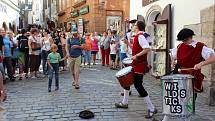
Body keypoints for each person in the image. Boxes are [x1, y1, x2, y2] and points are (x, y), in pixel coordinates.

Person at [161, 28, 215, 121]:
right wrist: (173, 62)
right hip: (179, 76)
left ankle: (185, 119)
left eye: (185, 40)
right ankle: (165, 119)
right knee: (175, 98)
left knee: (188, 101)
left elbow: (213, 58)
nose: (184, 42)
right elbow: (173, 56)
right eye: (182, 40)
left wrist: (201, 63)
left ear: (190, 37)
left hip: (192, 77)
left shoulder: (200, 46)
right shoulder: (179, 46)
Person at [115, 21, 157, 119]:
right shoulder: (137, 36)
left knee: (138, 86)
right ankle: (124, 102)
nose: (132, 26)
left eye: (134, 25)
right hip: (135, 64)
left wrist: (136, 56)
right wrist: (128, 43)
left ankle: (151, 108)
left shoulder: (141, 36)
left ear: (137, 27)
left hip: (139, 65)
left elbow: (147, 49)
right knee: (126, 81)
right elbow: (135, 49)